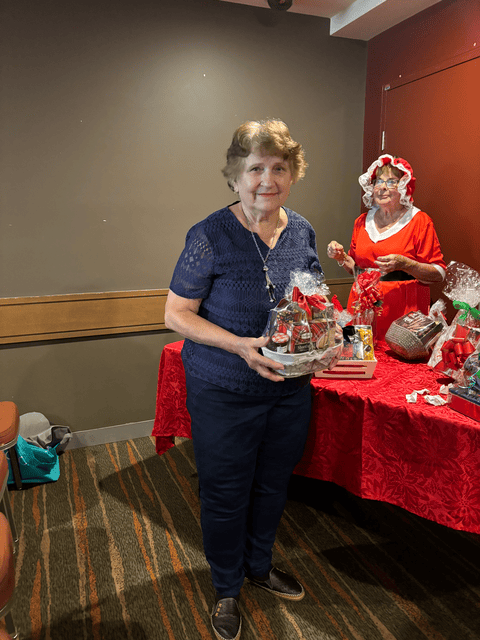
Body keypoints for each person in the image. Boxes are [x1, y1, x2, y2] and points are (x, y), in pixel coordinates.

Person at [164, 119, 322, 640]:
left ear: (292, 175)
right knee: (226, 491)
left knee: (274, 484)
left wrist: (325, 337)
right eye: (255, 168)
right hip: (224, 390)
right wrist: (238, 345)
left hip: (288, 390)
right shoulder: (209, 235)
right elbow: (176, 315)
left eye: (279, 168)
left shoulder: (302, 230)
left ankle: (259, 566)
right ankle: (227, 586)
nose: (266, 180)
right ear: (235, 176)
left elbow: (312, 300)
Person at [327, 154, 446, 340]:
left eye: (391, 182)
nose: (382, 187)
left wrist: (405, 264)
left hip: (402, 316)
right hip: (362, 311)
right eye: (378, 181)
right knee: (363, 354)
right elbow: (357, 270)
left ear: (404, 186)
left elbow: (439, 273)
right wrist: (341, 257)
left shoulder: (419, 221)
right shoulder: (362, 222)